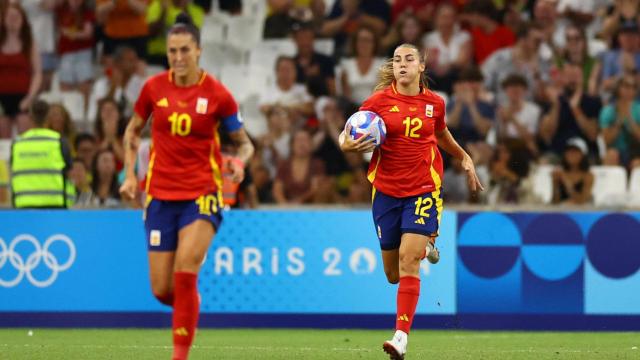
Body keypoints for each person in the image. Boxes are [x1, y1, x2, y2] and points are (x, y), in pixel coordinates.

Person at [119, 14, 254, 360]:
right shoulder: (153, 88)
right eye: (172, 51)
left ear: (198, 51)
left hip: (202, 194)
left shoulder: (218, 94)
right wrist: (130, 175)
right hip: (160, 197)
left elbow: (244, 143)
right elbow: (133, 131)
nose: (178, 58)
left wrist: (238, 164)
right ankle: (191, 303)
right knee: (163, 290)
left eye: (184, 51)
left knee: (185, 270)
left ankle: (179, 356)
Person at [339, 43, 483, 359]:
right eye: (397, 60)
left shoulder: (434, 103)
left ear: (421, 67)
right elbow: (348, 133)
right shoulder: (377, 102)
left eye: (409, 59)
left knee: (409, 259)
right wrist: (346, 144)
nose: (402, 64)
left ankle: (401, 337)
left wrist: (463, 157)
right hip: (386, 193)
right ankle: (426, 243)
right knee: (393, 273)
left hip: (423, 190)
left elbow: (441, 133)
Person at [10, 100, 74, 208]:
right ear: (48, 117)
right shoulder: (59, 141)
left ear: (30, 117)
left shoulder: (17, 143)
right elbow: (69, 172)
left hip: (23, 205)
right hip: (54, 205)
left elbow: (13, 170)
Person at [552, 137, 594, 205]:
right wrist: (555, 183)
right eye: (569, 151)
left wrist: (566, 181)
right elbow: (555, 202)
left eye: (575, 151)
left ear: (583, 155)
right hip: (562, 211)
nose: (571, 154)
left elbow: (582, 202)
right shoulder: (559, 173)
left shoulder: (588, 175)